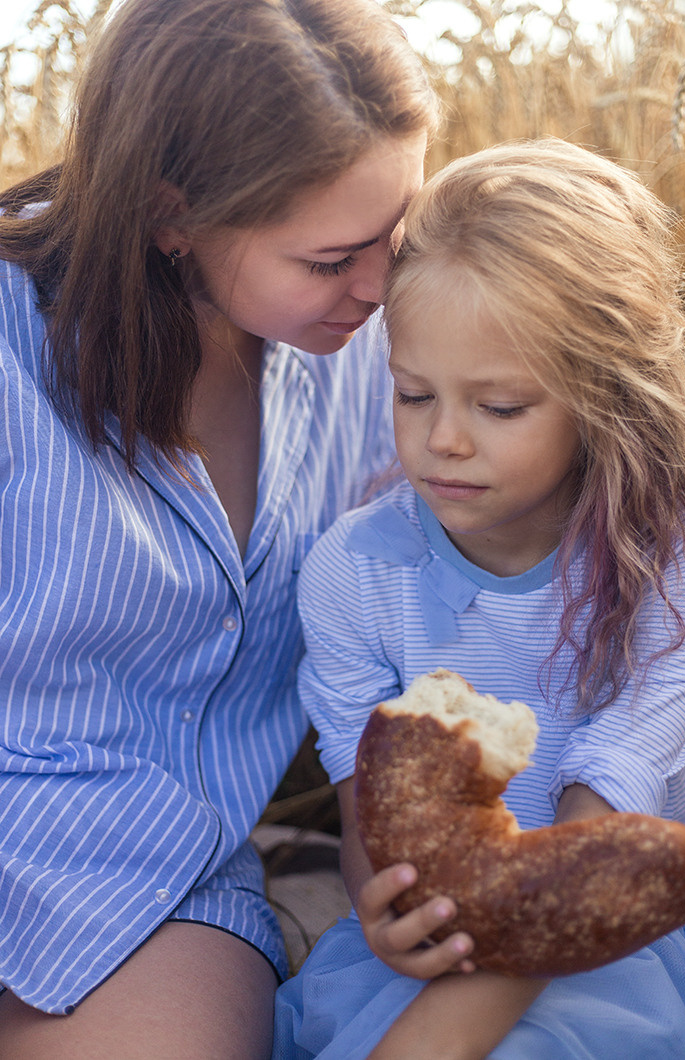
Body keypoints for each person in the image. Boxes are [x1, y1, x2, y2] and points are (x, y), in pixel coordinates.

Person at [0, 0, 437, 1054]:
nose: (378, 289)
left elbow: (404, 634)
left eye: (395, 233)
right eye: (331, 259)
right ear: (170, 214)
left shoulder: (398, 367)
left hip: (151, 873)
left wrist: (376, 847)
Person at [272, 138, 685, 1059]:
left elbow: (593, 858)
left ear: (604, 396)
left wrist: (429, 1045)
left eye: (500, 407)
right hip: (437, 938)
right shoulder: (355, 571)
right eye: (413, 394)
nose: (444, 442)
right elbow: (371, 812)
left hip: (610, 938)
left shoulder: (668, 565)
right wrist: (382, 909)